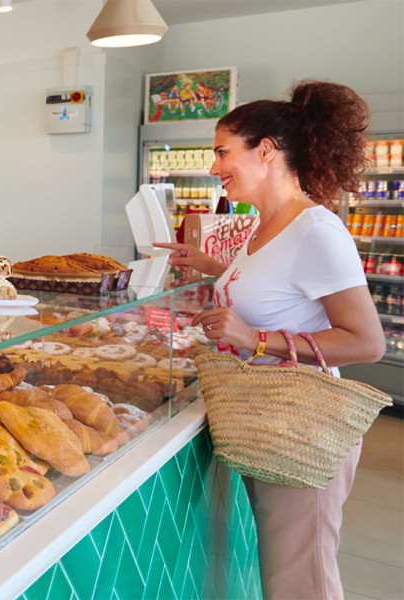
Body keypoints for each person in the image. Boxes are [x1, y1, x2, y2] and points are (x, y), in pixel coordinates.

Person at [154, 80, 385, 600]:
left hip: (303, 421)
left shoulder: (316, 231)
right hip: (267, 416)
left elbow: (368, 343)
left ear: (266, 150)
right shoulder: (262, 227)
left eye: (221, 151)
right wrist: (213, 269)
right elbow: (275, 291)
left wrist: (257, 339)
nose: (214, 167)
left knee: (302, 582)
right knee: (283, 573)